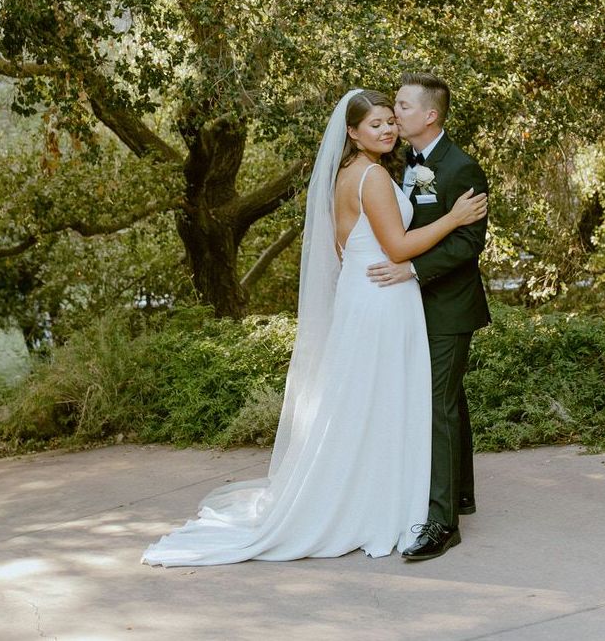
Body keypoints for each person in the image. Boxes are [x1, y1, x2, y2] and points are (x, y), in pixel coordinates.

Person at [141, 88, 486, 566]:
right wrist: (452, 218)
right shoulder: (373, 177)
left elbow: (350, 245)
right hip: (384, 295)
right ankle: (384, 504)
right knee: (382, 401)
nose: (389, 128)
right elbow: (399, 248)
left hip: (368, 293)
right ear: (351, 132)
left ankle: (416, 497)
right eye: (378, 123)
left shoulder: (355, 172)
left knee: (372, 402)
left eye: (393, 118)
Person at [367, 73, 490, 561]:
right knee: (449, 397)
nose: (394, 113)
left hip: (450, 305)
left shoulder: (461, 168)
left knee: (436, 403)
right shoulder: (400, 163)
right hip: (413, 305)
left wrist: (412, 270)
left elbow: (468, 243)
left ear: (430, 115)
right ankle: (461, 493)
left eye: (401, 106)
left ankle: (441, 524)